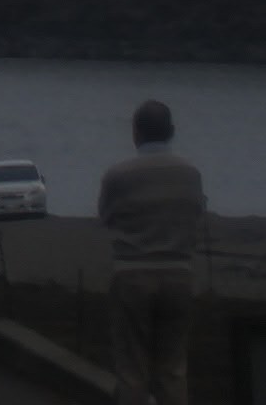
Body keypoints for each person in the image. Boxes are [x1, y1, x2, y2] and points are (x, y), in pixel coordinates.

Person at [97, 99, 207, 405]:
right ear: (171, 131)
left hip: (132, 273)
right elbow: (196, 213)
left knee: (132, 370)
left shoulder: (118, 175)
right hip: (178, 272)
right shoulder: (191, 173)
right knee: (173, 369)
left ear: (136, 132)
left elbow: (106, 216)